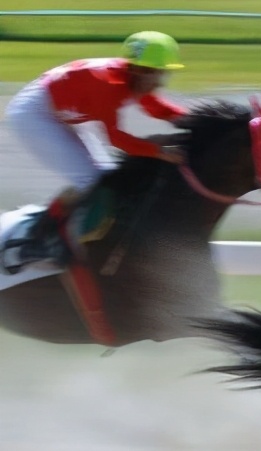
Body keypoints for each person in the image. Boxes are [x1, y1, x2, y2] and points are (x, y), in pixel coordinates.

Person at [3, 31, 189, 271]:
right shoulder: (108, 85)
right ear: (138, 70)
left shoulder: (131, 78)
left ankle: (69, 230)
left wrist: (198, 121)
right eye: (156, 73)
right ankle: (38, 241)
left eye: (163, 72)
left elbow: (155, 107)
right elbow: (117, 139)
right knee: (89, 178)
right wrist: (160, 151)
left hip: (59, 114)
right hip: (33, 116)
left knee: (107, 174)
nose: (159, 81)